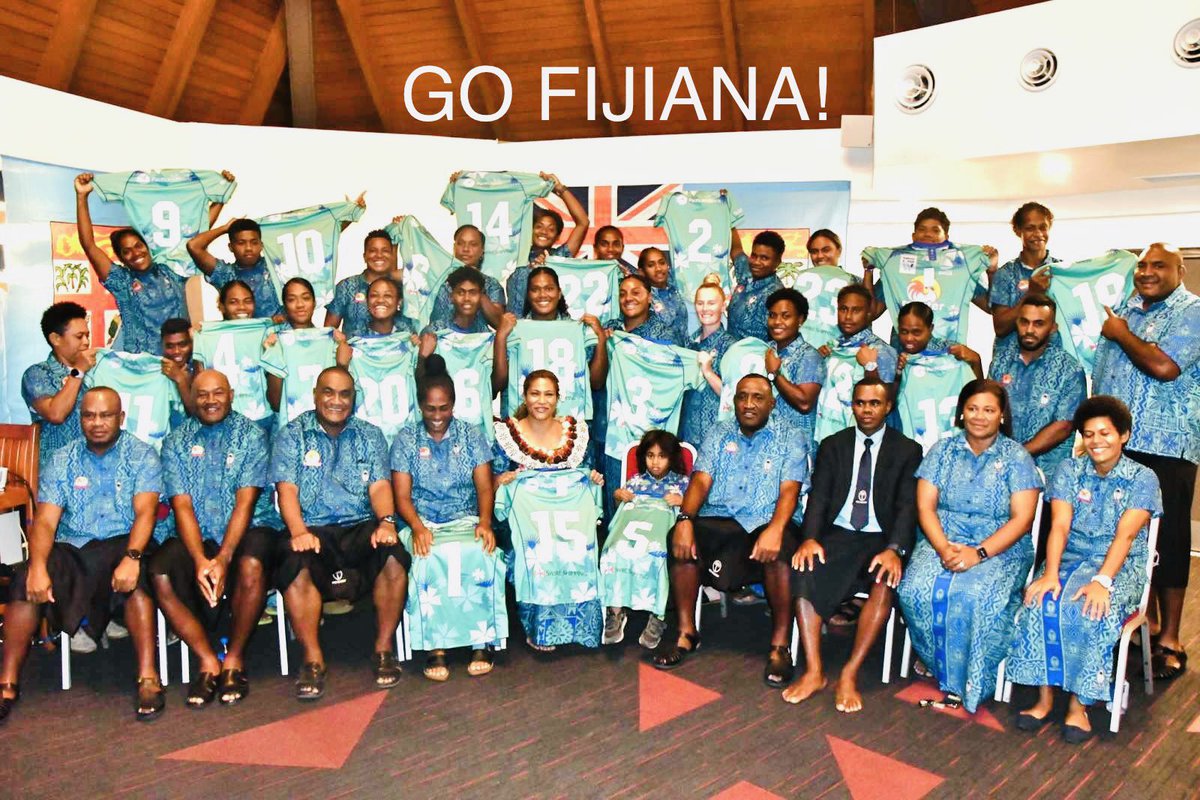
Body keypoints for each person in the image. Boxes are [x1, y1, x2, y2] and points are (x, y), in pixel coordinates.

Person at [0, 388, 165, 724]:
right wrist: (37, 566)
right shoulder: (62, 459)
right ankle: (6, 683)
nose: (97, 423)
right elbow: (45, 521)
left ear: (121, 418)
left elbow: (145, 514)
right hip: (74, 547)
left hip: (125, 542)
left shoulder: (142, 455)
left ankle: (149, 678)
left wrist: (132, 556)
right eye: (89, 416)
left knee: (140, 581)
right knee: (22, 581)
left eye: (106, 416)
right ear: (80, 420)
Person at [1007, 396, 1162, 743]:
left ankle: (1079, 706)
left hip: (1121, 566)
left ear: (1123, 435)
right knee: (1041, 600)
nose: (1096, 441)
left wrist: (1102, 582)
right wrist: (1049, 573)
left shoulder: (1143, 478)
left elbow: (1125, 536)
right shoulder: (1069, 470)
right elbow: (1059, 527)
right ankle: (1045, 700)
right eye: (1089, 434)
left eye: (1105, 433)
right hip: (1070, 557)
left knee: (1093, 610)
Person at [653, 374, 808, 689]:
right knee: (681, 538)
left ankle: (780, 645)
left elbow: (790, 490)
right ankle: (686, 632)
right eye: (742, 397)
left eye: (757, 398)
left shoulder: (791, 436)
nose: (749, 404)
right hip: (721, 517)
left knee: (782, 551)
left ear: (772, 403)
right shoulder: (719, 431)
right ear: (734, 400)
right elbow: (700, 480)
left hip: (767, 519)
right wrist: (684, 519)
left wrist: (777, 528)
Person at [896, 379, 1043, 713]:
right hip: (940, 540)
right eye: (973, 408)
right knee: (913, 590)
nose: (979, 416)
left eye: (989, 410)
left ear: (1002, 416)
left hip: (999, 548)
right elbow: (925, 508)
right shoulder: (942, 451)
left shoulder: (1017, 458)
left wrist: (978, 554)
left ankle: (970, 680)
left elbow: (1022, 520)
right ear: (961, 412)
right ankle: (941, 662)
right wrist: (944, 548)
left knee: (973, 595)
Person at [1092, 243, 1200, 681]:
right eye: (1142, 266)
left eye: (1159, 265)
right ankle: (1147, 623)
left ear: (1180, 271)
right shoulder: (1125, 310)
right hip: (1120, 445)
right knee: (1131, 538)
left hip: (1167, 446)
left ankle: (1171, 637)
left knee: (1170, 541)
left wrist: (1120, 333)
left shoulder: (1192, 311)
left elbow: (1164, 366)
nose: (1148, 272)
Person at [783, 377, 923, 712]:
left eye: (874, 403)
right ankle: (815, 670)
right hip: (839, 535)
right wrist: (810, 539)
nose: (866, 410)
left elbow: (908, 507)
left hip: (881, 538)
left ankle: (850, 673)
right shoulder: (834, 445)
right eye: (860, 403)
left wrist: (895, 549)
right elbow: (818, 498)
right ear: (852, 406)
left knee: (886, 579)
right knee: (804, 569)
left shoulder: (907, 450)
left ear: (888, 407)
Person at [270, 367, 409, 699]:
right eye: (328, 392)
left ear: (354, 398)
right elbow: (286, 490)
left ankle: (383, 649)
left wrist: (387, 522)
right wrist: (299, 531)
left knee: (394, 556)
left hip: (359, 524)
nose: (336, 401)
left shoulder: (370, 435)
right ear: (316, 395)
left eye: (345, 394)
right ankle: (313, 660)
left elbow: (379, 485)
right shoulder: (292, 434)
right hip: (312, 528)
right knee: (293, 562)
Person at [150, 370, 281, 706]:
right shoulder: (176, 441)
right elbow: (182, 505)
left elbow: (246, 502)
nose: (210, 401)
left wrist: (223, 558)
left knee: (251, 564)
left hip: (248, 528)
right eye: (203, 394)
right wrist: (200, 561)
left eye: (218, 393)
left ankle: (235, 659)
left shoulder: (252, 436)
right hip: (196, 533)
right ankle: (207, 660)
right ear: (192, 398)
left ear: (231, 394)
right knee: (159, 572)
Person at [391, 355, 501, 681]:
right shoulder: (406, 439)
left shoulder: (471, 435)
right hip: (422, 521)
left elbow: (484, 487)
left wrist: (485, 523)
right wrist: (417, 527)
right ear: (420, 405)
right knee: (426, 559)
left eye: (444, 408)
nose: (437, 416)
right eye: (430, 409)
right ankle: (434, 646)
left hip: (466, 519)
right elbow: (401, 496)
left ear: (453, 404)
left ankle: (481, 642)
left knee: (481, 553)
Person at [493, 370, 604, 651]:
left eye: (548, 394)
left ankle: (581, 626)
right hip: (529, 519)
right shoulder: (506, 434)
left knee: (580, 547)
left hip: (569, 514)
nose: (541, 401)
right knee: (540, 550)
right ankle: (539, 628)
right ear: (524, 396)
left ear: (558, 398)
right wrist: (500, 481)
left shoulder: (575, 432)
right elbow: (491, 482)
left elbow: (586, 470)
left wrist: (592, 479)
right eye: (534, 394)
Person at [75, 173, 190, 354]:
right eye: (127, 251)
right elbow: (89, 245)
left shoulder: (172, 270)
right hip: (140, 368)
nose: (136, 253)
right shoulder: (122, 281)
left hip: (179, 361)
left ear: (148, 246)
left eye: (138, 246)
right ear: (121, 259)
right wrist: (82, 196)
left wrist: (219, 198)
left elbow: (195, 236)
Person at [603, 429, 689, 649]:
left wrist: (682, 501)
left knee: (658, 557)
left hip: (659, 538)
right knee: (612, 552)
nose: (655, 462)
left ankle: (658, 616)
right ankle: (615, 611)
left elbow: (693, 512)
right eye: (650, 456)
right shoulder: (636, 481)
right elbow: (621, 514)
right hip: (631, 534)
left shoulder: (683, 484)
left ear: (672, 457)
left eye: (662, 456)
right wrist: (618, 496)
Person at [987, 294, 1086, 483]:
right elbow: (988, 407)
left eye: (1039, 324)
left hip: (1047, 477)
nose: (1029, 330)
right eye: (1024, 322)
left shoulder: (1070, 370)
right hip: (998, 471)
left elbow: (1064, 425)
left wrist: (1017, 455)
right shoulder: (1001, 362)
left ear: (1052, 327)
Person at [862, 207, 999, 343]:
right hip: (905, 355)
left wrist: (991, 271)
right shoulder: (894, 265)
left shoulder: (961, 265)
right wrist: (868, 271)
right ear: (913, 236)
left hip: (947, 355)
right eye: (922, 229)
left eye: (935, 230)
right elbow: (871, 313)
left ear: (946, 237)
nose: (928, 234)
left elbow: (990, 307)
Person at [491, 265, 608, 419]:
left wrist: (600, 337)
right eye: (535, 289)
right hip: (523, 424)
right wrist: (500, 337)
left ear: (559, 293)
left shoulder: (579, 330)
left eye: (549, 288)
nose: (542, 294)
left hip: (568, 425)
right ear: (528, 295)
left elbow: (596, 383)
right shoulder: (513, 330)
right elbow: (496, 385)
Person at [813, 284, 898, 442]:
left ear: (868, 313)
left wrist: (870, 366)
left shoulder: (881, 351)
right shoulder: (831, 347)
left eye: (856, 310)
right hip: (825, 439)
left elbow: (885, 404)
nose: (848, 316)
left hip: (859, 444)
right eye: (843, 309)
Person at [262, 277, 349, 427]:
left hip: (326, 427)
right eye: (292, 299)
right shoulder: (275, 339)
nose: (300, 305)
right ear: (285, 305)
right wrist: (273, 355)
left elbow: (343, 393)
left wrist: (342, 356)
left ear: (314, 303)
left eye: (306, 298)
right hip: (291, 429)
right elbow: (276, 403)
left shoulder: (332, 340)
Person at [23, 302, 97, 467]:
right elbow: (55, 414)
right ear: (55, 338)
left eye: (87, 335)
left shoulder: (98, 369)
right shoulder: (37, 374)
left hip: (96, 467)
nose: (86, 342)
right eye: (79, 336)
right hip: (55, 470)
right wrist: (78, 372)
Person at [192, 281, 274, 430]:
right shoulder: (205, 336)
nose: (242, 307)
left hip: (260, 417)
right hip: (221, 418)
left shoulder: (266, 331)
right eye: (233, 302)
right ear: (221, 306)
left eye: (247, 301)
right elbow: (200, 380)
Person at [505, 173, 590, 315]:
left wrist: (560, 189)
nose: (544, 231)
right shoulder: (515, 256)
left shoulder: (560, 257)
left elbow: (583, 223)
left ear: (557, 237)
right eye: (539, 226)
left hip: (555, 328)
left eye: (551, 229)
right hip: (520, 330)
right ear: (530, 230)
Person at [990, 202, 1059, 348]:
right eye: (1030, 228)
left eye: (1043, 227)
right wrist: (1031, 294)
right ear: (1017, 230)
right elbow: (1000, 328)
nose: (1038, 234)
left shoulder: (1061, 271)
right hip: (1010, 362)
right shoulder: (1005, 274)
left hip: (1052, 362)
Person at [186, 218, 283, 321]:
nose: (248, 248)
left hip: (277, 333)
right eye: (241, 243)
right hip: (239, 334)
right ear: (231, 247)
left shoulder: (277, 268)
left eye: (254, 242)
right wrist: (224, 228)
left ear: (261, 245)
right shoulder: (225, 274)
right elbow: (193, 246)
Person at [324, 228, 413, 337]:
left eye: (385, 251)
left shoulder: (405, 286)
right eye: (373, 251)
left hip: (400, 352)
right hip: (355, 352)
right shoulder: (346, 287)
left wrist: (399, 229)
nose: (379, 255)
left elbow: (430, 275)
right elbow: (328, 331)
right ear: (365, 256)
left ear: (392, 255)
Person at [763, 288, 825, 444]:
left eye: (786, 316)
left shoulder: (810, 356)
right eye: (772, 315)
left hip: (795, 448)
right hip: (764, 443)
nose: (777, 322)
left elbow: (804, 403)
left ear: (800, 320)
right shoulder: (765, 350)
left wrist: (775, 374)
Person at [680, 277, 736, 447]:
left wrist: (708, 372)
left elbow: (733, 397)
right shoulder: (689, 344)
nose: (705, 309)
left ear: (723, 305)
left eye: (711, 303)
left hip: (716, 435)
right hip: (687, 433)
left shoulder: (732, 346)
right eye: (700, 303)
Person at [426, 224, 507, 331]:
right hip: (438, 342)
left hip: (477, 344)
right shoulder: (438, 277)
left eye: (473, 244)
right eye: (460, 244)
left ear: (482, 251)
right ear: (454, 247)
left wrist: (476, 290)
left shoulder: (491, 284)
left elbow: (499, 323)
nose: (466, 249)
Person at [727, 230, 785, 342]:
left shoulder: (777, 297)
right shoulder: (747, 272)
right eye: (754, 255)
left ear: (777, 262)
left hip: (753, 357)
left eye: (764, 258)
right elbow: (736, 250)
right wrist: (731, 219)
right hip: (728, 354)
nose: (756, 262)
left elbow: (779, 340)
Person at [604, 273, 687, 347]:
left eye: (635, 293)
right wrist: (602, 343)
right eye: (622, 294)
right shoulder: (609, 327)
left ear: (649, 298)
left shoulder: (666, 336)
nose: (628, 298)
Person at [640, 246, 690, 345]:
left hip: (684, 353)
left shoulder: (675, 288)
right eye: (651, 265)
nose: (658, 268)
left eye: (662, 263)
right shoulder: (643, 298)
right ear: (642, 271)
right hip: (659, 355)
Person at [160, 318, 198, 422]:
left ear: (191, 344)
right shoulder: (155, 372)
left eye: (182, 345)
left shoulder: (199, 369)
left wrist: (181, 380)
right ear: (162, 345)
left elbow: (196, 415)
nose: (176, 351)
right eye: (170, 346)